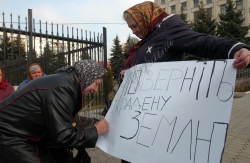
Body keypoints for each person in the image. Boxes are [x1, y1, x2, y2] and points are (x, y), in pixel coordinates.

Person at [120, 1, 250, 163]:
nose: (133, 31)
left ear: (145, 18)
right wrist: (128, 73)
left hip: (161, 120)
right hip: (137, 120)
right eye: (130, 28)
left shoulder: (169, 29)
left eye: (135, 26)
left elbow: (202, 42)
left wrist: (236, 49)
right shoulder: (146, 39)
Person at [0, 59, 109, 163]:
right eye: (96, 83)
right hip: (10, 136)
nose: (96, 90)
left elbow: (59, 126)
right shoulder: (63, 87)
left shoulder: (64, 82)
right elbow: (64, 136)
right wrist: (95, 131)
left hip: (20, 134)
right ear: (87, 77)